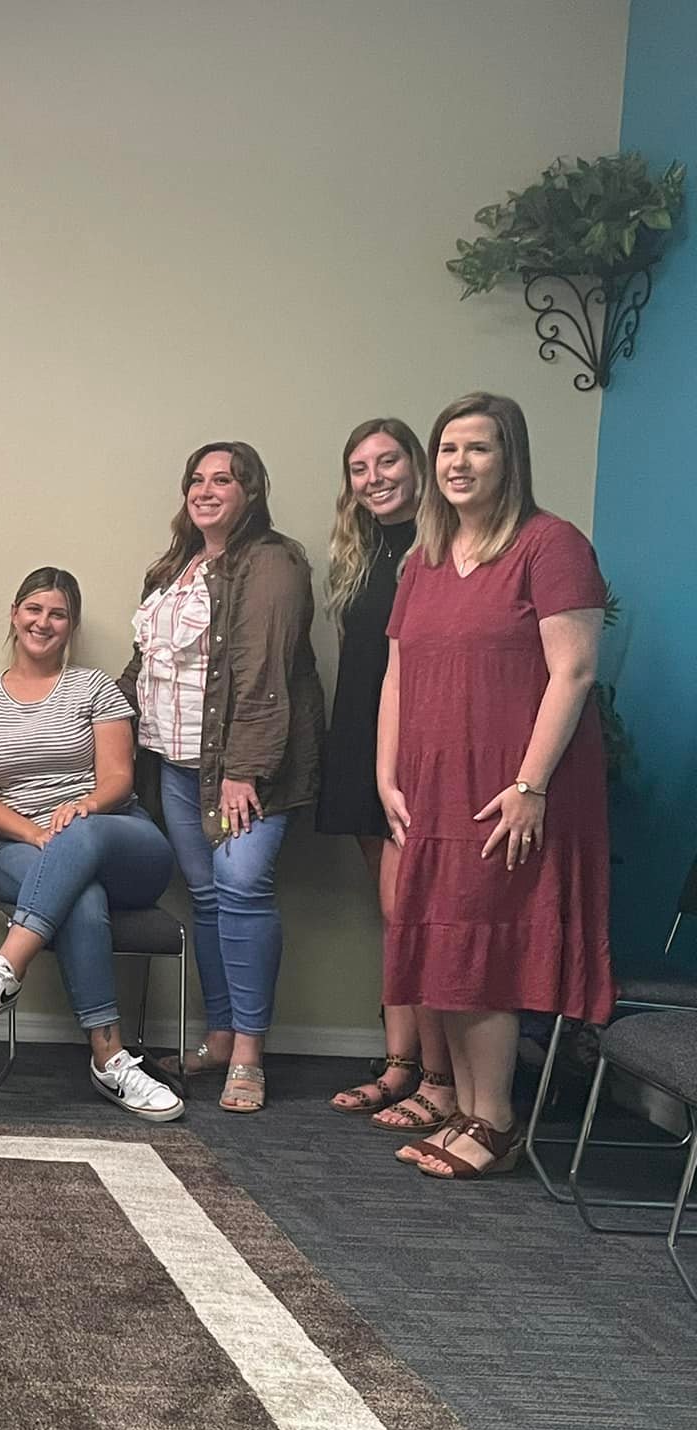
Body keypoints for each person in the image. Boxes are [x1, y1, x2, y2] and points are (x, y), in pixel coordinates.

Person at [381, 392, 612, 1180]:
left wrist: (530, 785)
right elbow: (398, 674)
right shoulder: (424, 560)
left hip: (509, 793)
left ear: (510, 458)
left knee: (481, 957)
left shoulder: (552, 545)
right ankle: (467, 1111)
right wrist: (386, 775)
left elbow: (574, 672)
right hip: (432, 791)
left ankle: (495, 1120)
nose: (458, 462)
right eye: (447, 448)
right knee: (444, 950)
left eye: (477, 448)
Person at [123, 441, 324, 1113]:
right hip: (177, 763)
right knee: (207, 897)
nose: (206, 491)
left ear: (252, 492)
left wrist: (246, 771)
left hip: (241, 770)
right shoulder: (174, 567)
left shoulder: (272, 563)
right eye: (197, 480)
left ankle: (249, 1054)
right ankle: (217, 1038)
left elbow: (264, 671)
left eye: (224, 480)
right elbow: (147, 666)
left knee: (241, 887)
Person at [0, 568, 182, 1121]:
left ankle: (5, 968)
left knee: (81, 834)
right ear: (14, 614)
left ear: (71, 625)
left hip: (119, 837)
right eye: (34, 609)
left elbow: (119, 778)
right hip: (20, 845)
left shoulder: (94, 687)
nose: (43, 622)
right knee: (82, 895)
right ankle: (111, 1059)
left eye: (58, 613)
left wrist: (85, 808)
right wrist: (35, 833)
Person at [318, 419, 456, 1130]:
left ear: (417, 465)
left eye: (388, 461)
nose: (374, 478)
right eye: (359, 468)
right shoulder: (361, 550)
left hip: (418, 748)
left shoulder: (448, 545)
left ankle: (441, 1078)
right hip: (361, 739)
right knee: (393, 916)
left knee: (415, 914)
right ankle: (400, 1065)